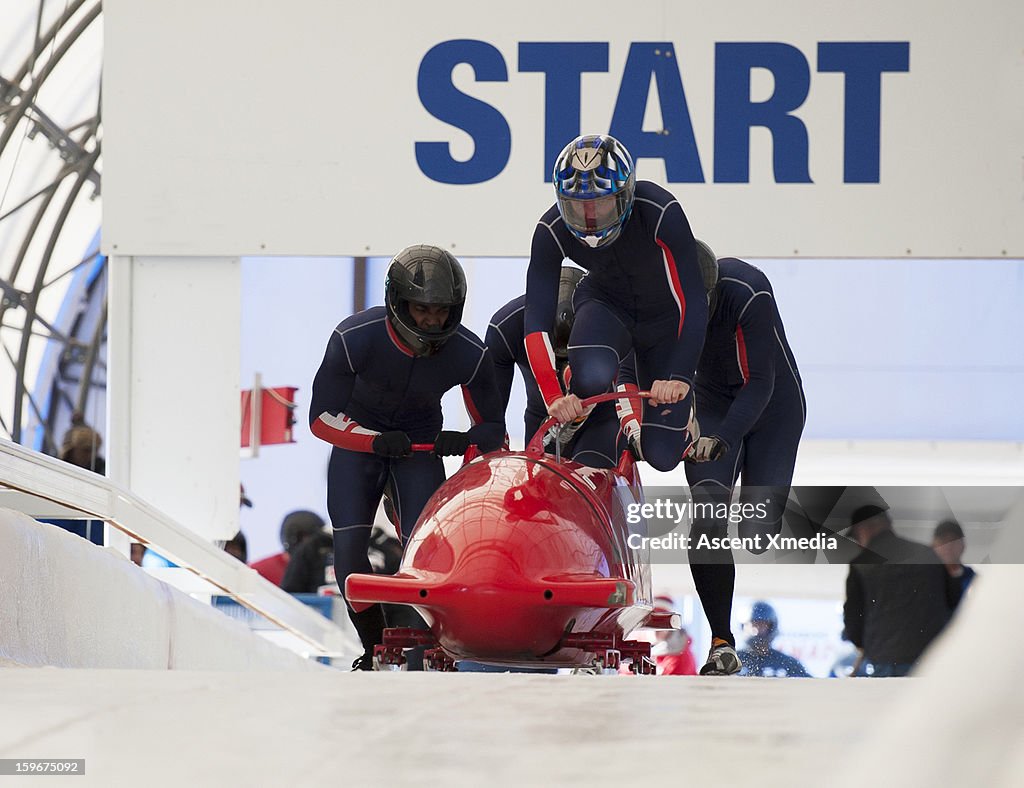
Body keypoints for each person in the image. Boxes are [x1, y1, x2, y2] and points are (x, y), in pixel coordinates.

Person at [309, 244, 505, 670]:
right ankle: (374, 646)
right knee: (349, 557)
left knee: (426, 553)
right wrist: (373, 441)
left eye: (442, 310)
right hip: (360, 446)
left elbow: (493, 434)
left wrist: (465, 442)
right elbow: (321, 419)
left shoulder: (469, 354)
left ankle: (433, 644)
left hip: (419, 447)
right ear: (399, 303)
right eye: (422, 309)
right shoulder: (353, 339)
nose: (433, 320)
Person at [523, 134, 707, 473]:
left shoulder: (660, 210)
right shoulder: (550, 229)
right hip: (607, 307)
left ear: (625, 196)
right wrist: (553, 395)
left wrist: (681, 375)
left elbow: (692, 301)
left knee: (663, 458)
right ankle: (579, 396)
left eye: (601, 202)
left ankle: (669, 424)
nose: (590, 217)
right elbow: (536, 321)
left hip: (662, 323)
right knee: (593, 374)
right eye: (577, 206)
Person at [681, 244, 806, 676]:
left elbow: (759, 383)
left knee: (755, 534)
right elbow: (631, 363)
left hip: (773, 405)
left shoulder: (748, 291)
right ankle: (721, 641)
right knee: (708, 509)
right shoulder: (652, 298)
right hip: (711, 401)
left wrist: (724, 437)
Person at [485, 265, 629, 468]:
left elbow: (629, 377)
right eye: (556, 355)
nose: (562, 365)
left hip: (600, 421)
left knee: (590, 474)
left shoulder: (612, 321)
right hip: (543, 421)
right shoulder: (507, 326)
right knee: (540, 490)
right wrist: (494, 446)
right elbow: (491, 412)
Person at [843, 504, 961, 677]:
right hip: (930, 659)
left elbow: (854, 620)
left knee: (889, 703)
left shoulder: (861, 565)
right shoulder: (927, 554)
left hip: (885, 661)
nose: (859, 544)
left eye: (857, 537)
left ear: (866, 529)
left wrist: (866, 643)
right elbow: (953, 600)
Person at [251, 510, 325, 586]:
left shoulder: (328, 569)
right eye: (305, 540)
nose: (310, 546)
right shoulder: (257, 572)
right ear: (291, 539)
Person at [737, 601, 810, 677]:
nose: (757, 630)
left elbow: (810, 685)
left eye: (762, 625)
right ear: (743, 626)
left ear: (771, 627)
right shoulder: (731, 661)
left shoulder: (787, 663)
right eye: (754, 625)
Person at [932, 519, 977, 604]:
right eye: (943, 541)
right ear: (933, 545)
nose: (948, 547)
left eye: (953, 541)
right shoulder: (923, 580)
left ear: (963, 545)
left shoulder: (975, 581)